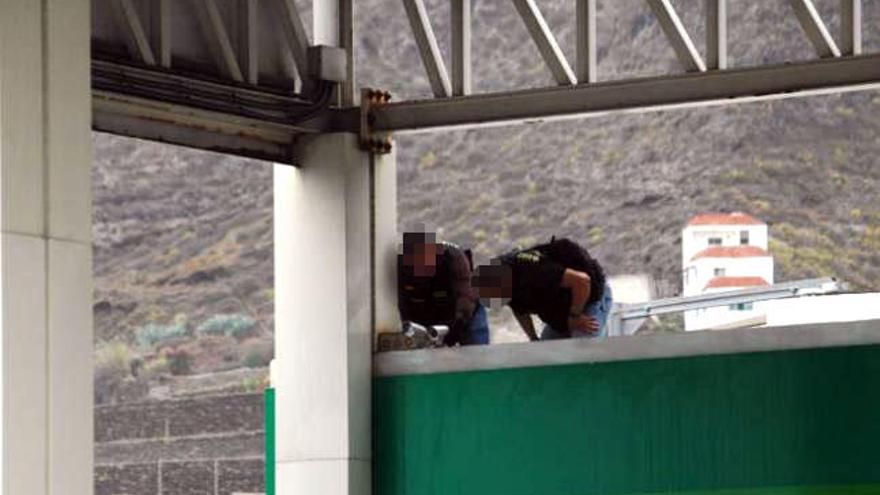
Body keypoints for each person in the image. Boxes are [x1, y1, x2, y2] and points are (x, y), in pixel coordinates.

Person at [474, 237, 611, 342]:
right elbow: (519, 310)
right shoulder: (505, 286)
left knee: (582, 351)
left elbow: (582, 281)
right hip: (560, 313)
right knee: (544, 355)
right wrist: (533, 338)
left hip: (587, 298)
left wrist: (574, 317)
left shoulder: (535, 271)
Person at [397, 231, 489, 346]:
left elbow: (465, 302)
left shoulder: (454, 259)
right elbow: (402, 306)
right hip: (426, 310)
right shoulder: (399, 267)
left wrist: (450, 336)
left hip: (464, 309)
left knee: (475, 351)